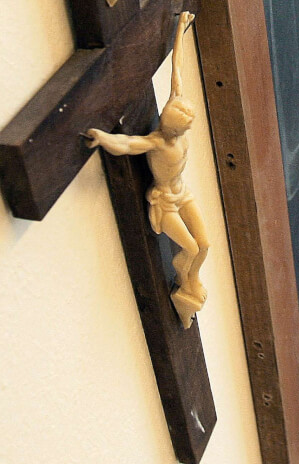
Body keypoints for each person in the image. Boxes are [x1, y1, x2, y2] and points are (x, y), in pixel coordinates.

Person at [85, 11, 209, 329]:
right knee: (190, 248)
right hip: (164, 202)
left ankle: (189, 282)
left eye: (179, 127)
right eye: (172, 126)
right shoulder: (158, 141)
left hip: (183, 193)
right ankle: (185, 286)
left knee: (205, 245)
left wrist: (180, 28)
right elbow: (127, 144)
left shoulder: (177, 108)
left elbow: (177, 72)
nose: (175, 130)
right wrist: (102, 138)